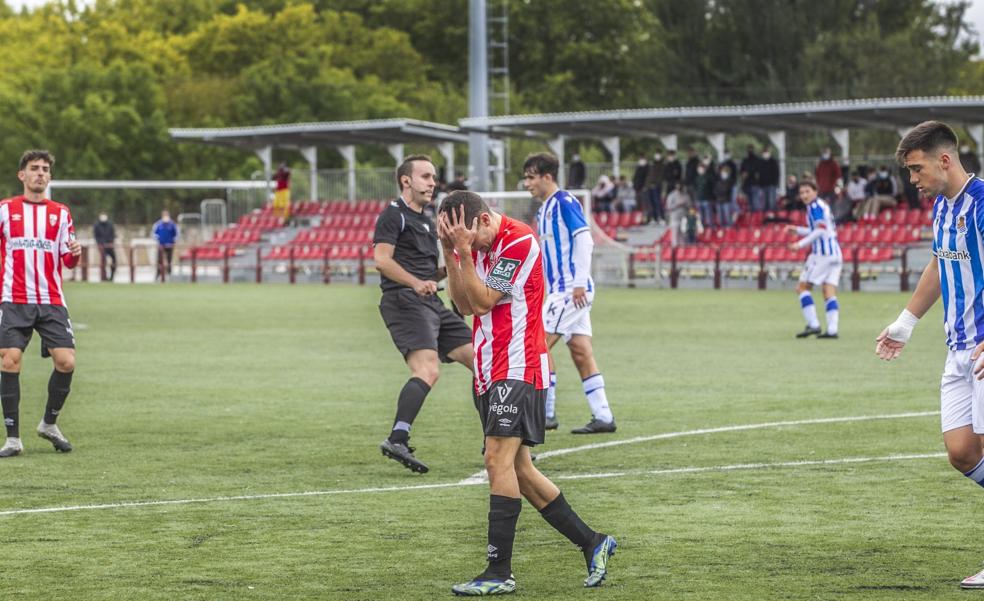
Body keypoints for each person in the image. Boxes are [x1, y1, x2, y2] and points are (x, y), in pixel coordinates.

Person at [437, 190, 616, 595]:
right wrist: (452, 253)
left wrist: (463, 249)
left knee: (495, 458)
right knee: (520, 470)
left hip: (518, 367)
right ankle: (593, 542)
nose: (471, 245)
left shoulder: (517, 241)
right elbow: (461, 306)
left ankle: (499, 572)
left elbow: (482, 302)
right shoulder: (471, 244)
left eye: (470, 236)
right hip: (487, 368)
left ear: (483, 220)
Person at [875, 121, 984, 590]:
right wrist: (906, 321)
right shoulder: (942, 207)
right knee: (962, 453)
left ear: (945, 159)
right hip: (957, 349)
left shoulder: (982, 203)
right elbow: (942, 264)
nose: (912, 180)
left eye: (916, 169)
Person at [373, 155, 473, 474]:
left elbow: (429, 272)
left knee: (484, 362)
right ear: (406, 181)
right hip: (404, 300)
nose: (433, 183)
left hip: (431, 302)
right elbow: (382, 260)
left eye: (434, 177)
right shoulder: (393, 215)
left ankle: (498, 440)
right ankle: (397, 438)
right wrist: (416, 283)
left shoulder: (428, 220)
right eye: (426, 177)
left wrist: (455, 263)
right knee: (428, 370)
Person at [524, 153, 617, 434]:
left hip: (570, 291)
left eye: (530, 177)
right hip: (560, 290)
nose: (526, 183)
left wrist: (578, 282)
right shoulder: (544, 210)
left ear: (547, 177)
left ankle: (546, 412)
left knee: (537, 343)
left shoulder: (564, 202)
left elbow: (585, 239)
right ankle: (603, 416)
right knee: (580, 350)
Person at [0, 150, 82, 458]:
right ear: (22, 175)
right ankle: (12, 439)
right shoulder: (5, 209)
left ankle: (49, 424)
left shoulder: (60, 213)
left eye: (45, 169)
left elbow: (68, 259)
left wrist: (75, 251)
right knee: (9, 360)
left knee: (67, 362)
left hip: (51, 300)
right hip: (14, 299)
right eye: (34, 169)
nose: (40, 173)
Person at [785, 180, 842, 339]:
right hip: (835, 253)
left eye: (807, 191)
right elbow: (818, 229)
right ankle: (832, 330)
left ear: (815, 191)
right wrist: (797, 230)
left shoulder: (814, 206)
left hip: (822, 255)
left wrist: (800, 244)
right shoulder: (822, 205)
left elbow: (820, 230)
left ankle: (813, 325)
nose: (804, 195)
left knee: (802, 288)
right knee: (828, 291)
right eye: (802, 192)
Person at [152, 210, 178, 281]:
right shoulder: (158, 224)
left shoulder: (172, 224)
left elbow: (176, 235)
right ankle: (158, 275)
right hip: (161, 246)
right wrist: (158, 239)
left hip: (169, 246)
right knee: (159, 261)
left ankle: (170, 275)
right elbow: (154, 234)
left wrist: (173, 241)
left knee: (169, 261)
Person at [93, 211, 117, 282]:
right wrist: (100, 244)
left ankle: (112, 277)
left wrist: (111, 242)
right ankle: (104, 277)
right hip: (102, 246)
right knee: (103, 261)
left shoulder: (110, 224)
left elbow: (113, 234)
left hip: (110, 245)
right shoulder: (97, 225)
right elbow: (96, 236)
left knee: (114, 260)